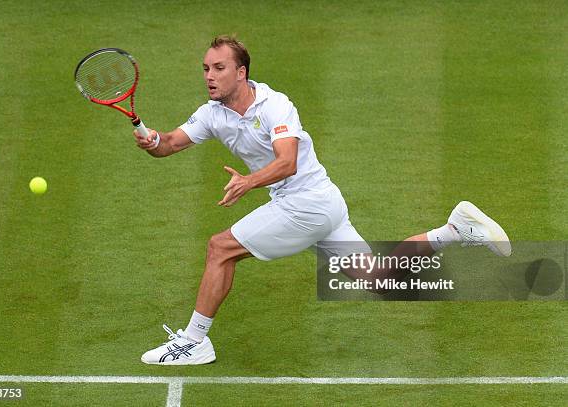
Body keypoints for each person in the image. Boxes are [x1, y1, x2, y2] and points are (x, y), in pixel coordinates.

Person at [133, 36, 511, 365]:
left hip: (307, 205)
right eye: (205, 68)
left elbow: (287, 161)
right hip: (323, 206)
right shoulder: (211, 114)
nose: (209, 76)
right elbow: (167, 145)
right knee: (379, 280)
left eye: (218, 68)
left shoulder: (275, 105)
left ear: (241, 73)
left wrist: (249, 182)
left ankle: (195, 341)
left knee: (220, 248)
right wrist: (150, 138)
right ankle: (454, 230)